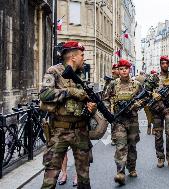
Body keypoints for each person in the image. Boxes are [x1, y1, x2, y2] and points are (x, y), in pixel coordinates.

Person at [40, 41, 96, 189]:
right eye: (82, 55)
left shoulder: (80, 74)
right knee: (51, 174)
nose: (84, 58)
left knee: (84, 176)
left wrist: (90, 106)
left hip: (81, 130)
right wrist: (69, 92)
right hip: (60, 130)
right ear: (73, 57)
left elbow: (84, 99)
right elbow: (44, 94)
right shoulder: (54, 71)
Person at [103, 59, 143, 185]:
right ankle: (120, 172)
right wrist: (109, 111)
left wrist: (137, 104)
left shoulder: (136, 84)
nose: (123, 70)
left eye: (126, 68)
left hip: (132, 120)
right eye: (121, 69)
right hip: (119, 120)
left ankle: (132, 168)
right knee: (121, 146)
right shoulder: (113, 85)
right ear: (118, 71)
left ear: (129, 69)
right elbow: (105, 99)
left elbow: (145, 98)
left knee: (132, 145)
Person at [147, 56, 169, 168]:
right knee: (158, 135)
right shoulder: (154, 77)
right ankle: (160, 157)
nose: (164, 65)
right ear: (160, 64)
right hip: (157, 110)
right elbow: (146, 90)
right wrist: (152, 94)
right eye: (162, 63)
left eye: (166, 63)